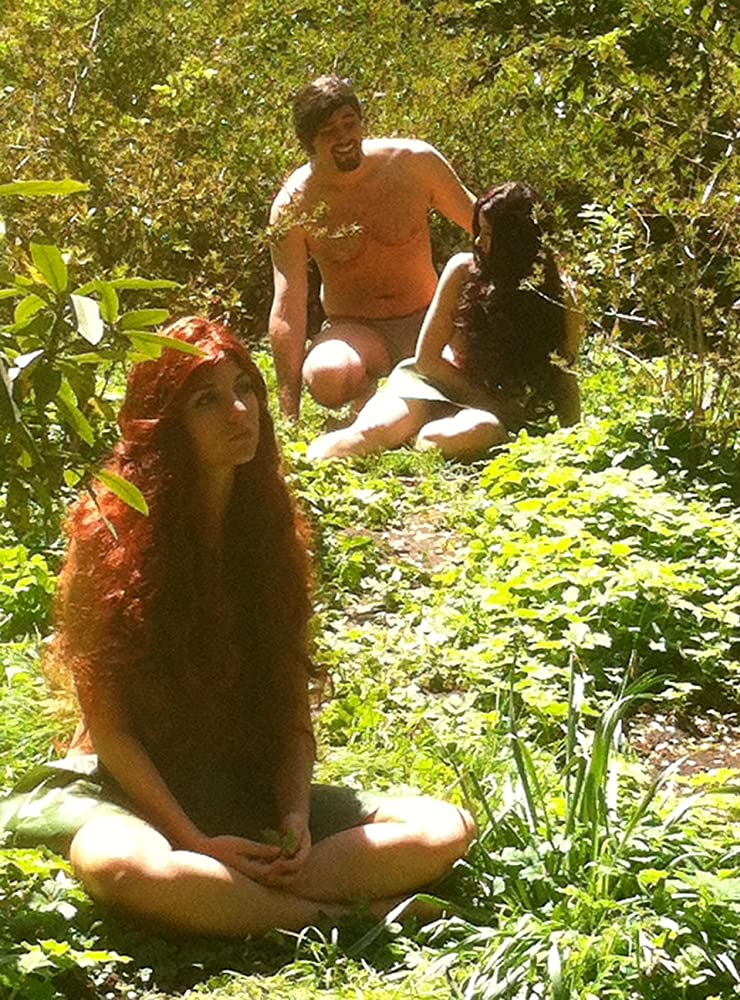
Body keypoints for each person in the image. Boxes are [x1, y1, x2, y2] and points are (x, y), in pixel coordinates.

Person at [0, 318, 475, 938]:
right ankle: (339, 917)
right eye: (207, 400)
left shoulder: (271, 530)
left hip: (242, 784)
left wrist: (295, 817)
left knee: (444, 828)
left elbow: (290, 706)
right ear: (165, 424)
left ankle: (231, 896)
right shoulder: (107, 536)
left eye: (244, 389)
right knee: (116, 866)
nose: (238, 411)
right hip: (132, 791)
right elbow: (110, 730)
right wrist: (191, 839)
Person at [307, 182, 583, 462]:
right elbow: (427, 360)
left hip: (485, 412)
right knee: (371, 433)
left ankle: (418, 437)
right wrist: (489, 402)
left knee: (475, 431)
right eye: (479, 231)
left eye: (489, 235)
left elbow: (565, 375)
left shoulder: (562, 294)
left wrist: (574, 441)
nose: (478, 242)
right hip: (433, 383)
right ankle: (302, 465)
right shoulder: (463, 270)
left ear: (517, 240)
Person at [268, 75, 475, 420]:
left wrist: (546, 273)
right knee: (327, 376)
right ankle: (374, 393)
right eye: (329, 132)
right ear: (309, 142)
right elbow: (288, 307)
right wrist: (290, 413)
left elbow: (483, 226)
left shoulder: (413, 163)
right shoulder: (295, 204)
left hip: (431, 319)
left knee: (478, 364)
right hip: (358, 332)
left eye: (349, 124)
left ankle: (411, 399)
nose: (344, 138)